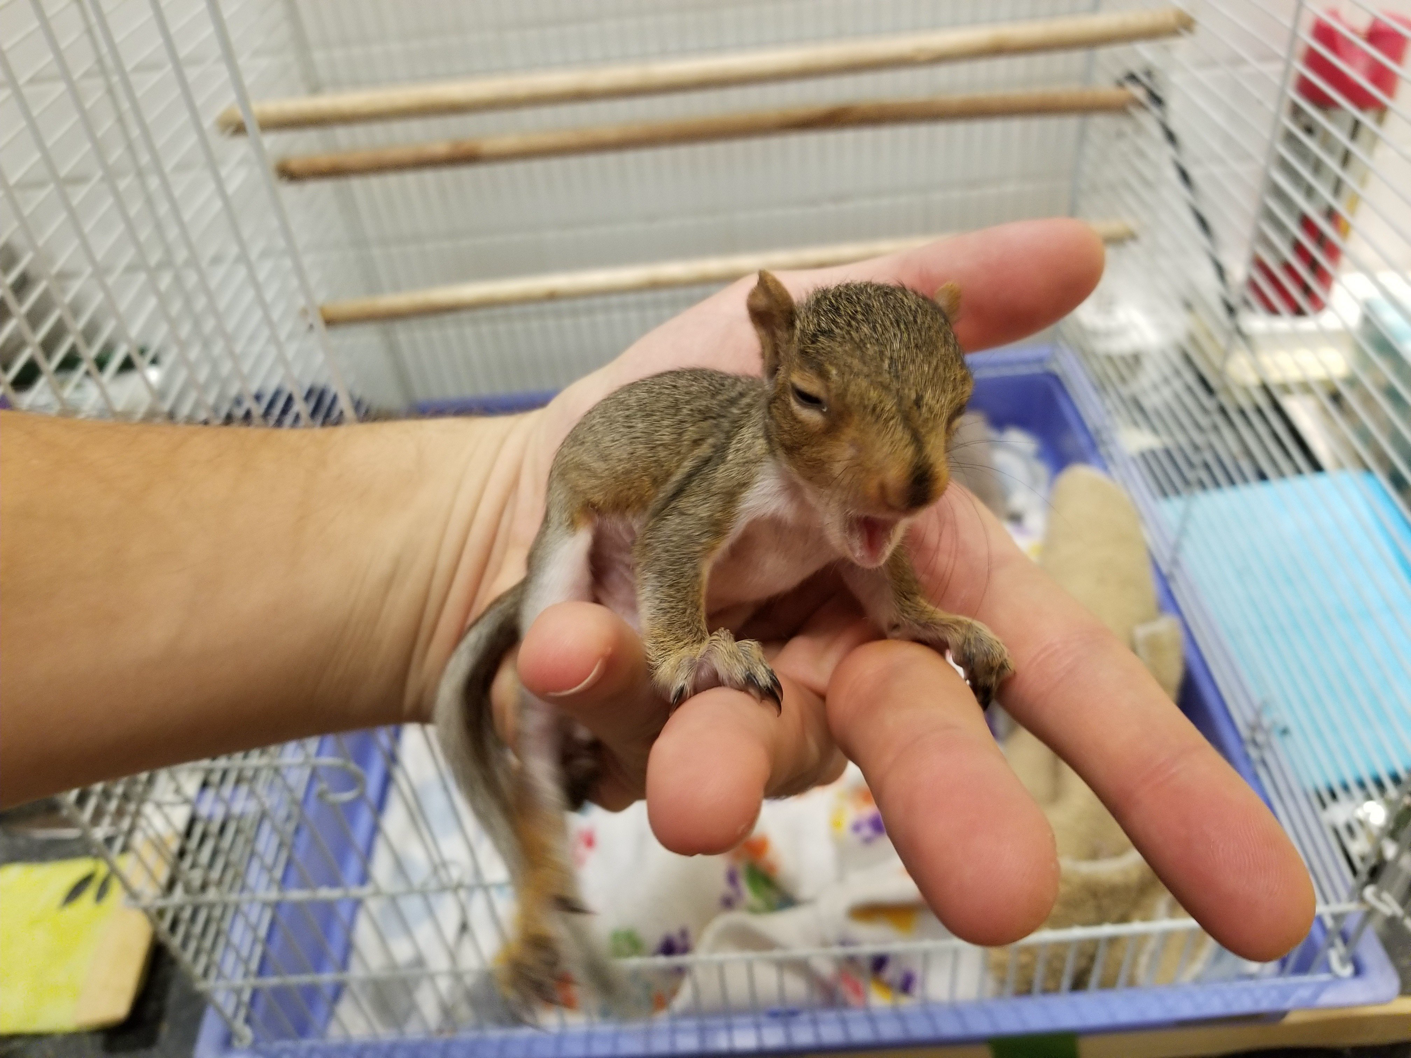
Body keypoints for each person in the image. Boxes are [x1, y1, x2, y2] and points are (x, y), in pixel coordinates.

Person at [0, 219, 1314, 960]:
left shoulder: (872, 493)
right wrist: (681, 641)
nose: (908, 480)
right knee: (564, 627)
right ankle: (534, 797)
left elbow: (883, 542)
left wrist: (915, 614)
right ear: (771, 355)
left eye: (941, 423)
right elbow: (674, 542)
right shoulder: (745, 465)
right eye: (813, 406)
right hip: (602, 501)